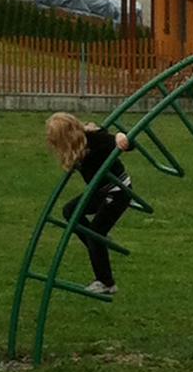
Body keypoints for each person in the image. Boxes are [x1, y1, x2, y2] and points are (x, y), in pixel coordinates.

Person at [46, 112, 133, 295]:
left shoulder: (93, 139)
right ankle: (98, 246)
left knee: (95, 233)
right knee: (70, 211)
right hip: (100, 192)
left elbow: (123, 143)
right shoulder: (76, 146)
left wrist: (121, 137)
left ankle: (106, 282)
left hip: (117, 192)